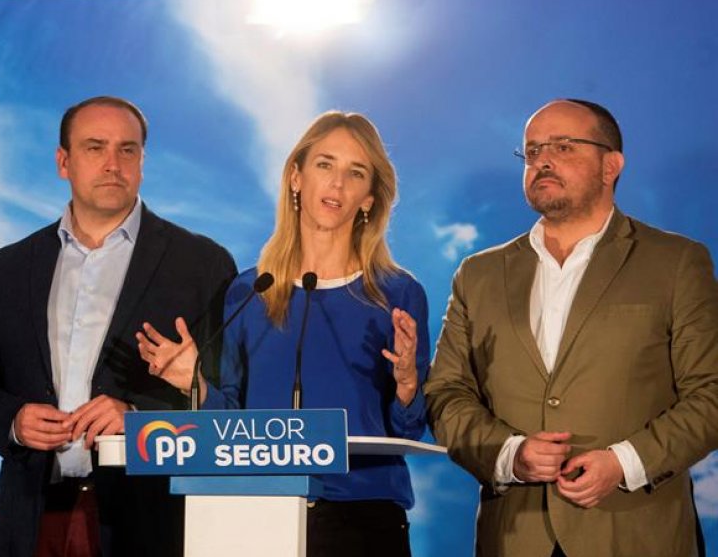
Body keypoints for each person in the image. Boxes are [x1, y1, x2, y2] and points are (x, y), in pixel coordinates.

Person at [424, 99, 718, 557]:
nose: (542, 159)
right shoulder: (478, 274)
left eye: (563, 146)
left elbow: (711, 393)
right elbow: (446, 393)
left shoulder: (676, 262)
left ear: (611, 164)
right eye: (533, 149)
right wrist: (510, 455)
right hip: (514, 539)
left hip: (638, 536)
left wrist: (623, 463)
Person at [0, 96, 236, 557]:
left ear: (143, 161)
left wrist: (139, 420)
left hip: (150, 520)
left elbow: (230, 400)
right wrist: (15, 423)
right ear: (64, 162)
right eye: (95, 148)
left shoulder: (202, 264)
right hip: (34, 513)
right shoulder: (11, 267)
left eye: (128, 150)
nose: (113, 164)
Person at [138, 111, 430, 557]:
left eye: (355, 173)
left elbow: (409, 427)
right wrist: (192, 382)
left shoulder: (397, 293)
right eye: (324, 165)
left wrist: (408, 383)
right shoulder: (250, 291)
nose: (336, 185)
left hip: (362, 517)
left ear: (369, 198)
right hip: (257, 513)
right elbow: (230, 419)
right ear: (296, 177)